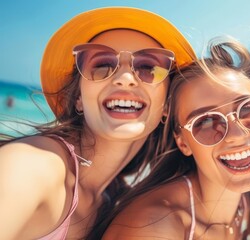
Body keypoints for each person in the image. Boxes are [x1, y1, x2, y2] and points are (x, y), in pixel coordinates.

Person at [0, 7, 195, 240]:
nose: (125, 79)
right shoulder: (32, 166)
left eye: (148, 68)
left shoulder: (117, 205)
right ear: (79, 99)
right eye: (102, 65)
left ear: (166, 106)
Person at [102, 38, 250, 240]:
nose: (237, 135)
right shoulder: (153, 227)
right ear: (183, 142)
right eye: (207, 122)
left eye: (247, 109)